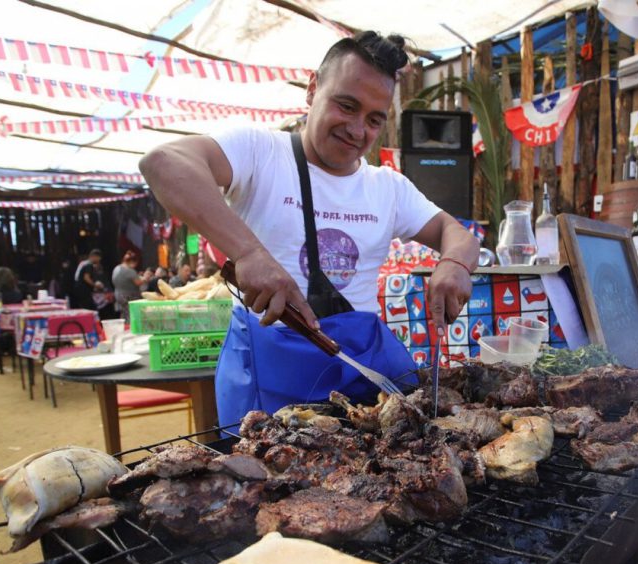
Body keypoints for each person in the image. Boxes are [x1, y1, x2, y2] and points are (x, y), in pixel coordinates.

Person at [139, 31, 479, 426]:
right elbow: (163, 162)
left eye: (373, 119)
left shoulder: (388, 187)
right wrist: (250, 253)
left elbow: (457, 233)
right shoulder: (259, 151)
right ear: (313, 88)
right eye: (346, 106)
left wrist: (454, 262)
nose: (357, 130)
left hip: (359, 369)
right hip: (270, 371)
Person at [112, 251, 151, 321]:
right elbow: (138, 282)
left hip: (118, 294)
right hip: (128, 296)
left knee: (124, 313)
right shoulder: (129, 271)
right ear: (132, 261)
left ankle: (124, 326)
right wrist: (145, 278)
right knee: (131, 314)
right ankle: (131, 327)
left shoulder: (117, 268)